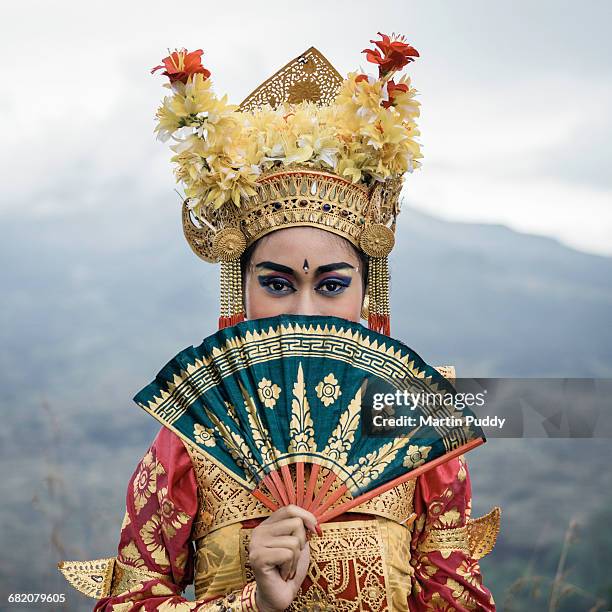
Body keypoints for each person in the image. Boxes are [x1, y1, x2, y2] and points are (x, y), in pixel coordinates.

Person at [58, 35, 501, 611]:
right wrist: (253, 604)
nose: (304, 311)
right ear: (239, 289)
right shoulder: (190, 441)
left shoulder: (417, 422)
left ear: (369, 293)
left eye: (333, 285)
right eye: (277, 283)